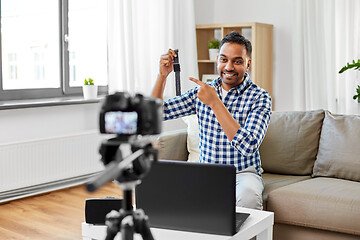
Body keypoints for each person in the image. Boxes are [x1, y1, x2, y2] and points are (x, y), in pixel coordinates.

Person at [151, 31, 272, 210]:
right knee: (166, 194)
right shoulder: (201, 92)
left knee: (248, 198)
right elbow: (155, 114)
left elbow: (248, 146)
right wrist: (162, 76)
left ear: (248, 64)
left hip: (243, 174)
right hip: (206, 171)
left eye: (237, 61)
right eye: (224, 59)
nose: (229, 67)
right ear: (217, 60)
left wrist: (215, 103)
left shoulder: (260, 97)